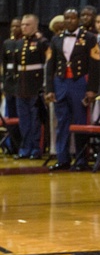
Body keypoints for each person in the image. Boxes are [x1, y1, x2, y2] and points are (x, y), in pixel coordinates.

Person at [44, 8, 100, 170]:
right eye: (67, 18)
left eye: (73, 18)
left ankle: (82, 159)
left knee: (80, 121)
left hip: (79, 83)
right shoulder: (56, 39)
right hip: (60, 83)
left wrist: (92, 89)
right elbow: (50, 66)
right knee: (61, 123)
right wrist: (49, 89)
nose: (69, 21)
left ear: (78, 20)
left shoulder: (89, 38)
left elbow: (95, 66)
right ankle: (62, 159)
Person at [13, 14, 47, 159]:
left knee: (35, 120)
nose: (24, 27)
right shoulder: (19, 43)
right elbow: (15, 66)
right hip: (21, 86)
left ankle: (35, 148)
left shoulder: (42, 42)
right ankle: (25, 147)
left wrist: (44, 87)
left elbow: (47, 65)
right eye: (23, 25)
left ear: (35, 26)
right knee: (24, 119)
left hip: (36, 86)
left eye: (27, 25)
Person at [2, 17, 21, 122]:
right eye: (13, 26)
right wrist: (4, 83)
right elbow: (4, 65)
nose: (15, 28)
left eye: (17, 26)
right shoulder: (7, 43)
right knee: (11, 114)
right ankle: (13, 137)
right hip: (9, 83)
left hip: (21, 82)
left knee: (20, 112)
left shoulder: (24, 42)